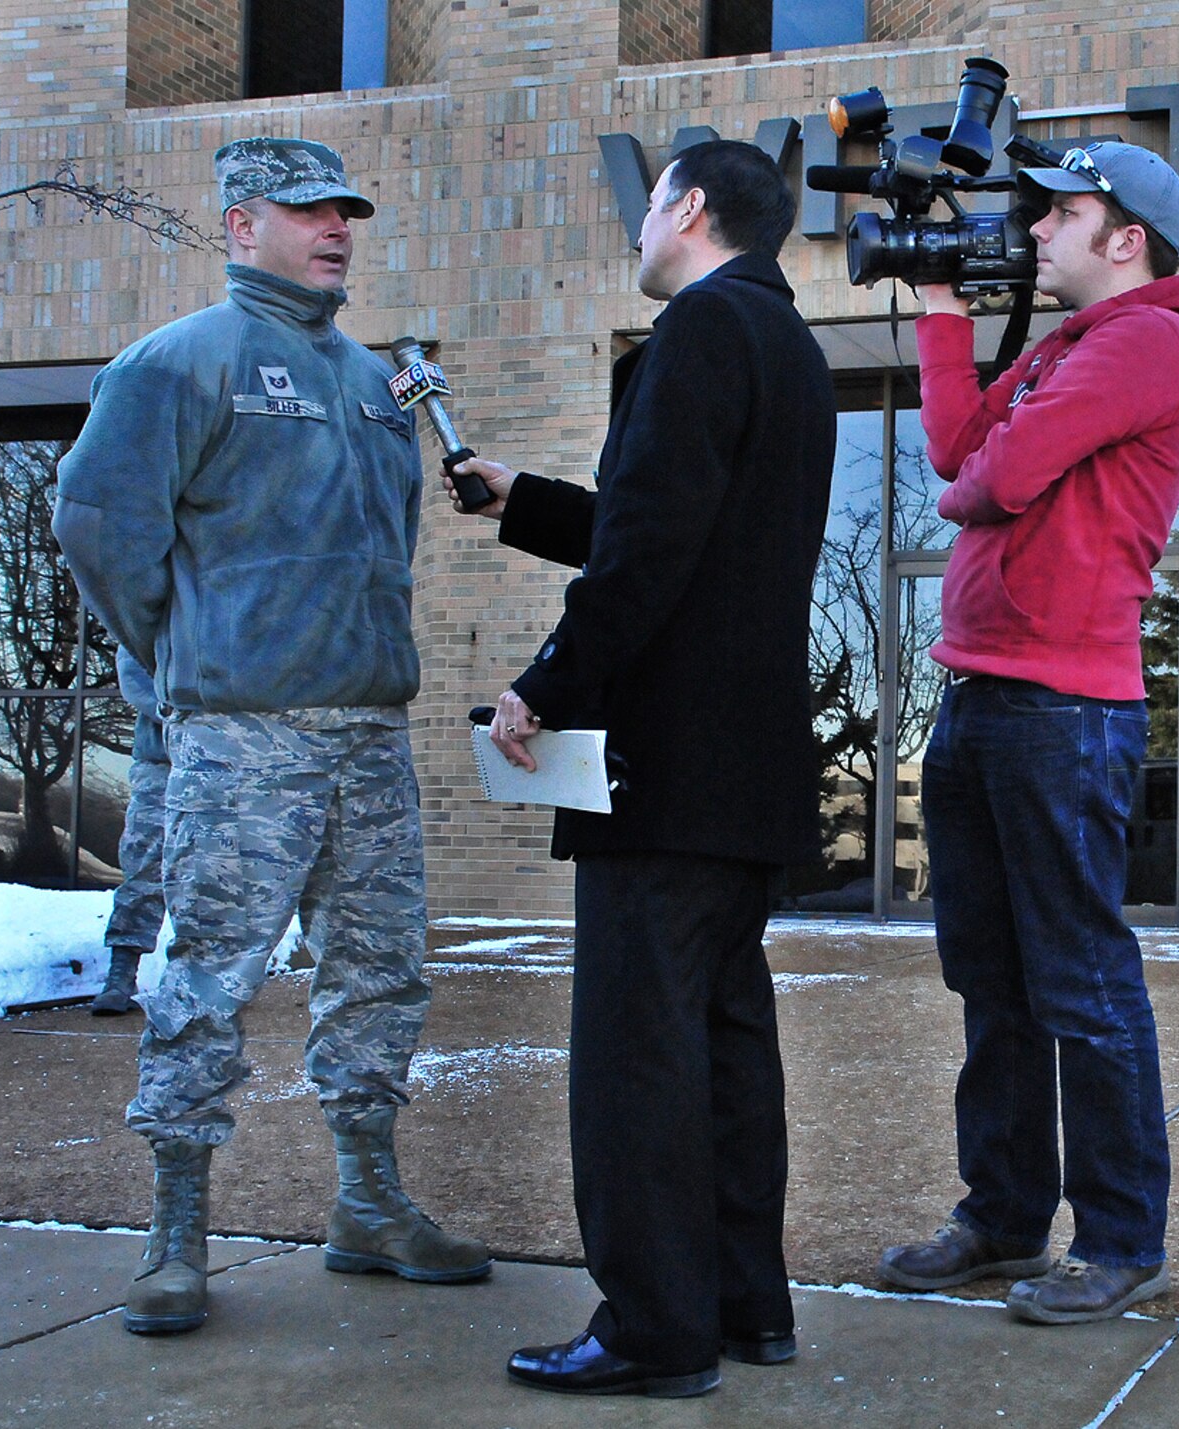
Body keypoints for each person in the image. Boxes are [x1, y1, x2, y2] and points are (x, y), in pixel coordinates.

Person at [52, 136, 490, 1337]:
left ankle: (367, 1201)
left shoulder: (369, 378)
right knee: (207, 980)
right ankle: (175, 1233)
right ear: (242, 227)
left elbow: (382, 547)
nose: (334, 228)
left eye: (343, 210)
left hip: (368, 736)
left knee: (382, 971)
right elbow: (98, 527)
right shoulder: (177, 364)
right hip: (243, 738)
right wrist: (181, 660)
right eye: (306, 212)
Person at [443, 139, 834, 1399]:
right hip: (747, 769)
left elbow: (653, 549)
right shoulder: (786, 345)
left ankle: (653, 1328)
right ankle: (741, 1304)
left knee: (635, 1057)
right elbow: (683, 522)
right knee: (720, 1042)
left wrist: (545, 685)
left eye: (650, 200)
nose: (639, 222)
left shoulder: (696, 337)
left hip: (660, 766)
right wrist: (528, 501)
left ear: (694, 209)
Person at [877, 141, 1179, 1324]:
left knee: (1078, 978)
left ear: (1124, 236)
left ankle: (1122, 1239)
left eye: (1059, 214)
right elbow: (950, 444)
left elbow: (993, 476)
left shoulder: (1146, 341)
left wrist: (971, 488)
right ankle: (1003, 1219)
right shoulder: (1069, 346)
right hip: (979, 692)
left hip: (1062, 707)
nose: (1034, 232)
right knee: (991, 977)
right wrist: (935, 309)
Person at [90, 649, 165, 1016]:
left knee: (218, 875)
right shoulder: (159, 601)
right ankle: (122, 971)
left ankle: (213, 980)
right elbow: (133, 669)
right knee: (145, 868)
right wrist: (181, 713)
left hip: (227, 762)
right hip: (162, 762)